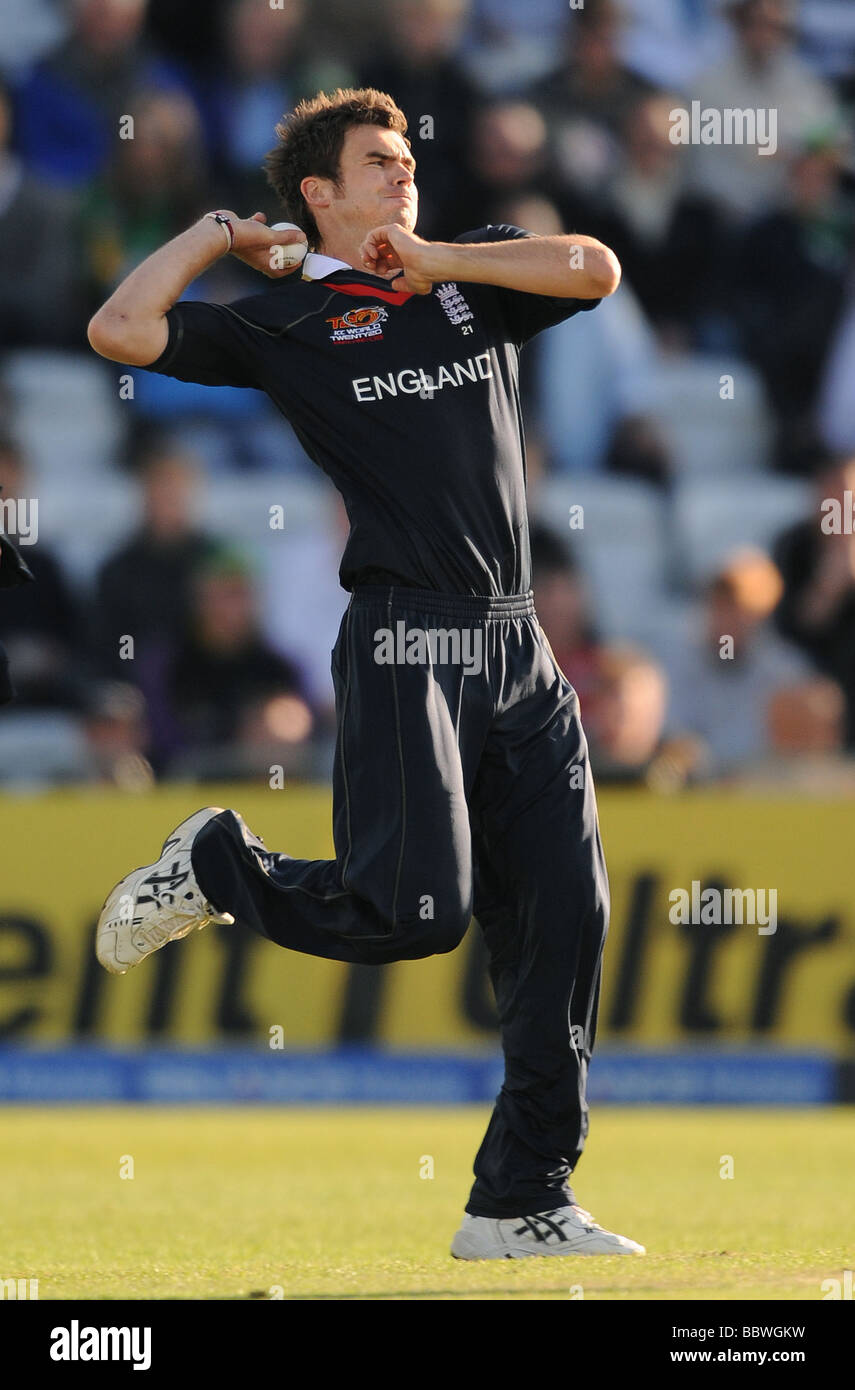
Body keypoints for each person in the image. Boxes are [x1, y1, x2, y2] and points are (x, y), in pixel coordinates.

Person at [87, 86, 643, 1261]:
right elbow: (122, 333)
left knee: (569, 914)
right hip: (406, 634)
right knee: (418, 911)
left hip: (516, 637)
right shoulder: (285, 324)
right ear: (317, 194)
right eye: (379, 163)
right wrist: (223, 237)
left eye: (408, 159)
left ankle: (517, 1200)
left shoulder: (470, 273)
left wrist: (433, 254)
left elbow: (596, 267)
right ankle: (216, 863)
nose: (405, 174)